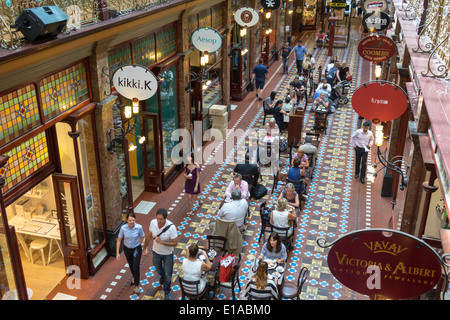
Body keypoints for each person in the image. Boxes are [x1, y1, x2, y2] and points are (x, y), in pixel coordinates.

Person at [143, 208, 178, 300]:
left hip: (168, 254)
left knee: (168, 274)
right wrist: (144, 247)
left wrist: (162, 242)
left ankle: (167, 291)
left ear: (165, 218)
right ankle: (162, 275)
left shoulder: (171, 227)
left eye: (161, 219)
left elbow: (175, 243)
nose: (159, 221)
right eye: (157, 218)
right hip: (156, 251)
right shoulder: (153, 223)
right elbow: (149, 235)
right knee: (157, 268)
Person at [116, 212, 146, 294]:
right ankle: (134, 276)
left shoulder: (139, 227)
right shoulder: (123, 228)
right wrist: (117, 253)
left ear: (135, 220)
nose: (132, 222)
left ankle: (137, 285)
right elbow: (119, 240)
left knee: (136, 266)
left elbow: (143, 237)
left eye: (133, 220)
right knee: (131, 265)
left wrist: (145, 248)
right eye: (130, 220)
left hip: (136, 249)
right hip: (127, 250)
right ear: (126, 220)